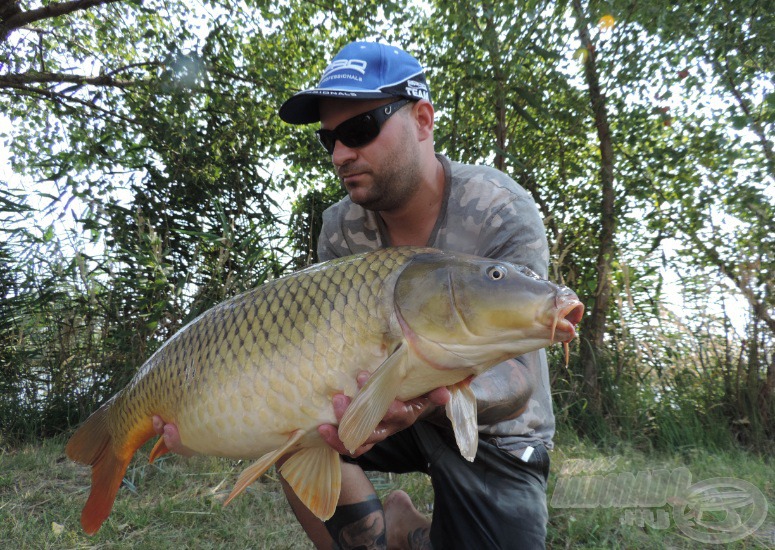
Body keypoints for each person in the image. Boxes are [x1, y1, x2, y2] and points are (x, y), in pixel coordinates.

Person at [154, 41, 553, 549]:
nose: (341, 154)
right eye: (329, 140)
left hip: (493, 425)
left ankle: (411, 530)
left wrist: (430, 397)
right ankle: (385, 538)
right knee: (293, 432)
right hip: (380, 406)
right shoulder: (341, 228)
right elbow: (318, 366)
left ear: (423, 119)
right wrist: (206, 423)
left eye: (359, 130)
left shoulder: (500, 208)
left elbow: (518, 377)